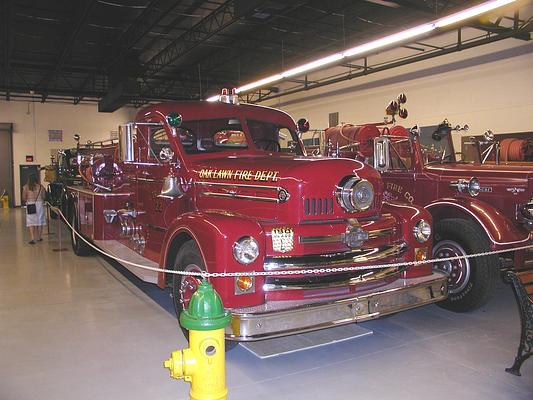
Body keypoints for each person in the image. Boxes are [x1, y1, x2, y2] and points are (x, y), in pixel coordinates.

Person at [22, 174, 46, 244]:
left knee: (31, 221)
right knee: (39, 221)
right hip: (39, 204)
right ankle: (39, 237)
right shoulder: (41, 187)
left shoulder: (26, 187)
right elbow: (44, 196)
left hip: (30, 204)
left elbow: (24, 198)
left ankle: (32, 238)